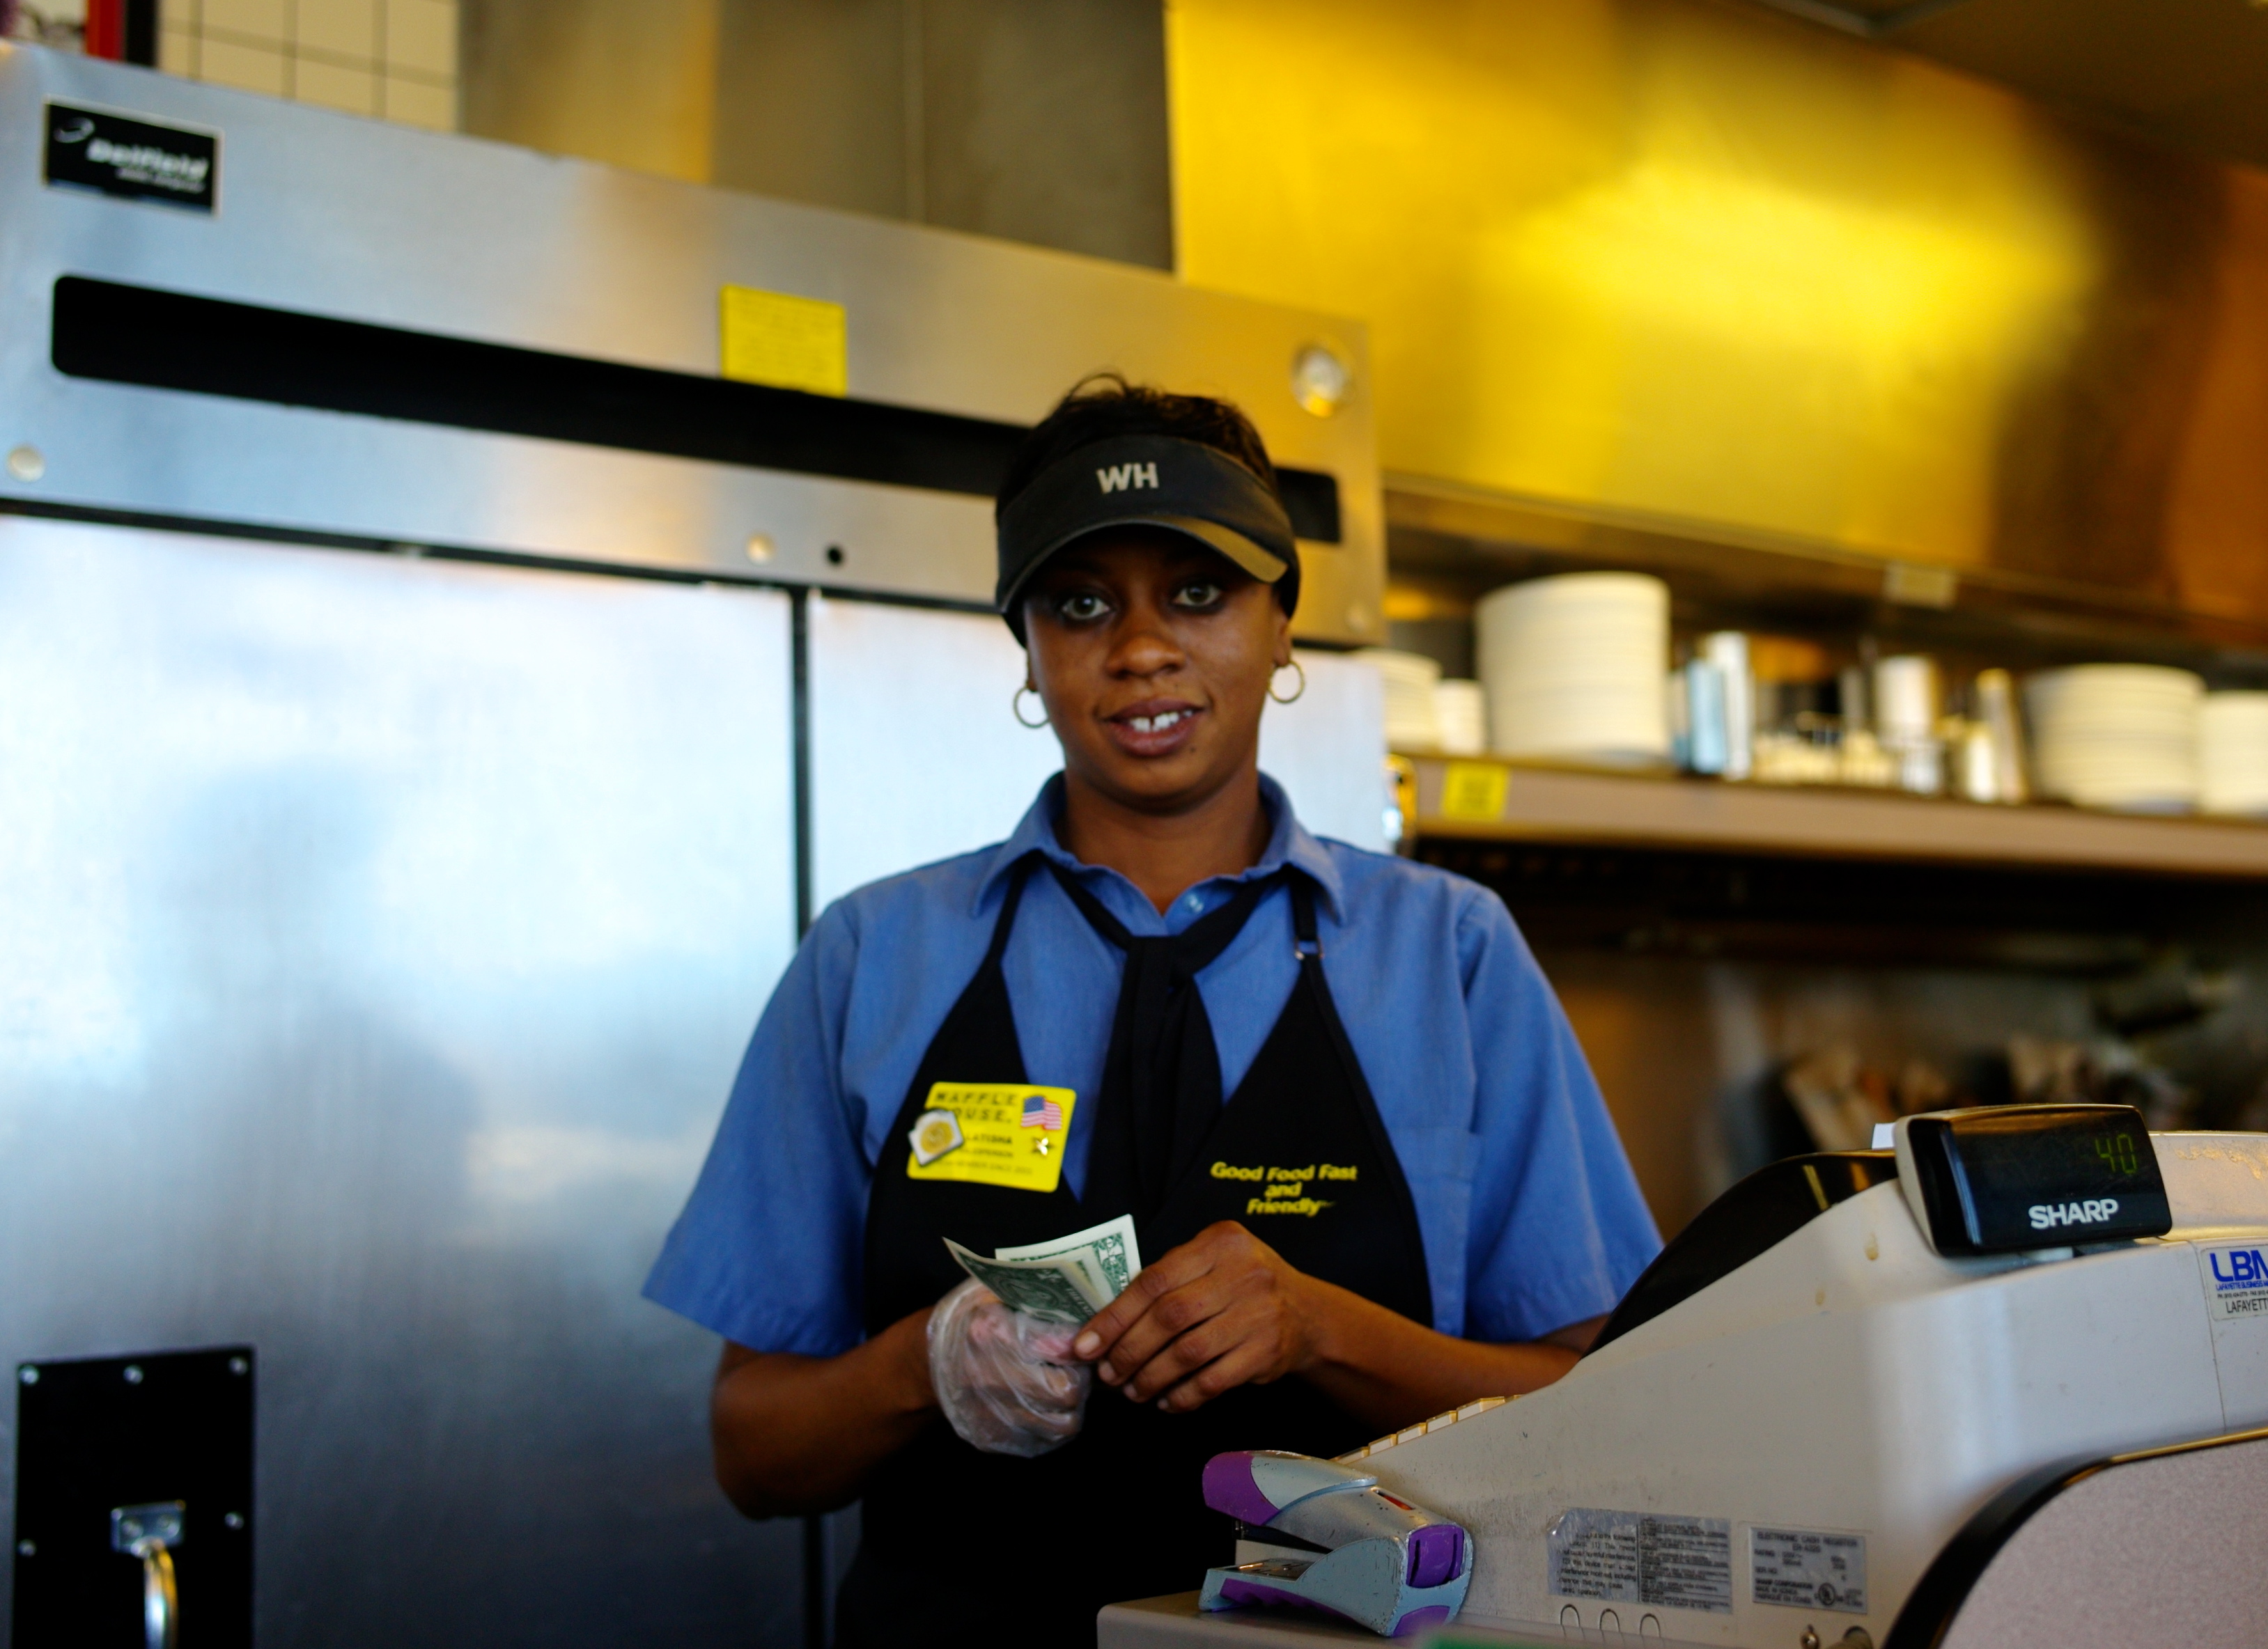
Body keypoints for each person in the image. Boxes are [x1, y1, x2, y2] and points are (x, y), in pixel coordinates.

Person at [644, 376, 1660, 1646]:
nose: (1139, 649)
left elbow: (1605, 1418)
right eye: (1081, 604)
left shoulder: (1447, 954)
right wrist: (923, 1367)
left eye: (1199, 591)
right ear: (1026, 645)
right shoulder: (875, 954)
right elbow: (754, 1456)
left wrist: (1322, 1330)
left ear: (1284, 625)